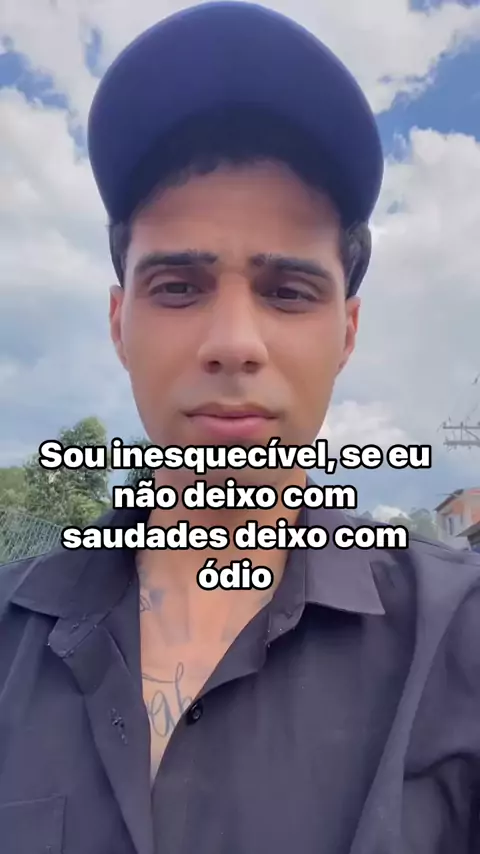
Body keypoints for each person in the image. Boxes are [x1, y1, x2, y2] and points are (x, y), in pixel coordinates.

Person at [1, 3, 479, 853]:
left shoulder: (460, 643)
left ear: (347, 333)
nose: (233, 343)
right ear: (117, 323)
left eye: (288, 292)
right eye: (178, 287)